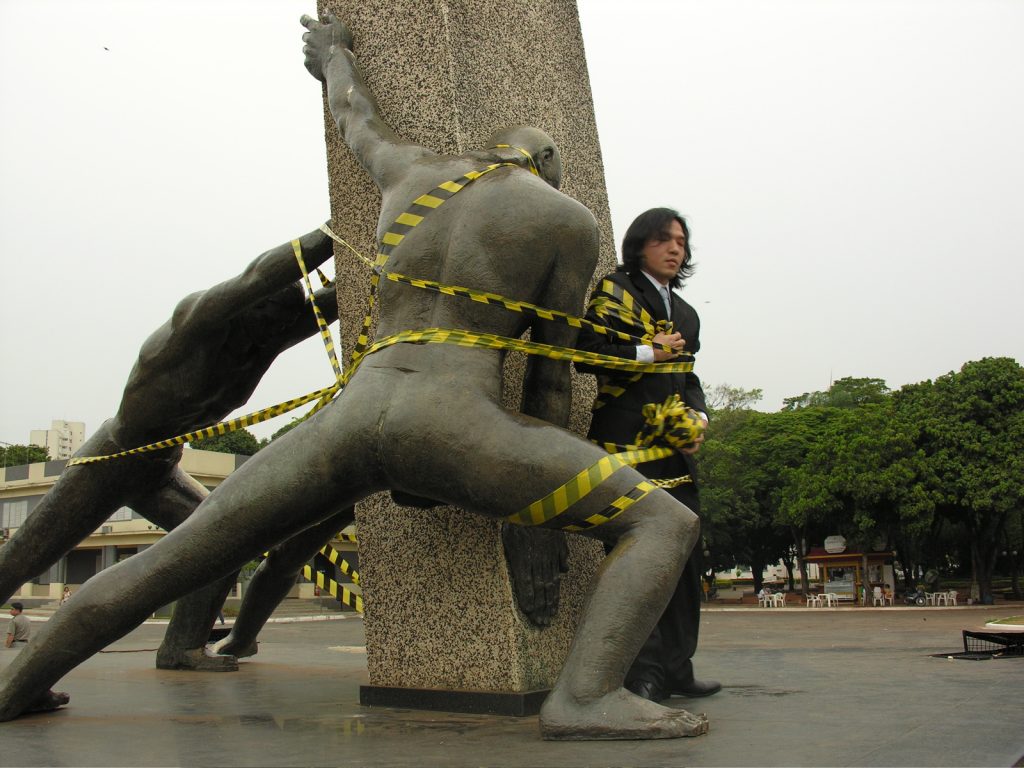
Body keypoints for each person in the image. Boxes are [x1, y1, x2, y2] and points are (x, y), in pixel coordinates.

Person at [0, 14, 708, 741]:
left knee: (169, 561)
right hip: (452, 421)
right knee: (662, 521)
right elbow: (549, 379)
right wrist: (538, 522)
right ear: (550, 159)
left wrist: (333, 56)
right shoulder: (565, 220)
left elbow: (355, 117)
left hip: (350, 418)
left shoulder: (411, 171)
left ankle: (15, 686)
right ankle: (585, 698)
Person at [0, 226, 339, 671]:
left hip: (160, 468)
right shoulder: (197, 323)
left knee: (221, 545)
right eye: (274, 320)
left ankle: (181, 647)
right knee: (23, 558)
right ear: (250, 308)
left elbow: (332, 302)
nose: (281, 331)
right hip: (112, 459)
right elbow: (257, 276)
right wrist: (333, 232)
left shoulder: (263, 336)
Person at [577, 207, 721, 703]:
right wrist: (648, 353)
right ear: (640, 245)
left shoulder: (686, 314)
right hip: (624, 445)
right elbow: (585, 352)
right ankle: (644, 672)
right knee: (636, 563)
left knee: (683, 561)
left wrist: (698, 419)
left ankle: (679, 666)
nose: (675, 248)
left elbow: (690, 379)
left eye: (681, 240)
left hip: (674, 453)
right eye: (663, 239)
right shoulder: (615, 291)